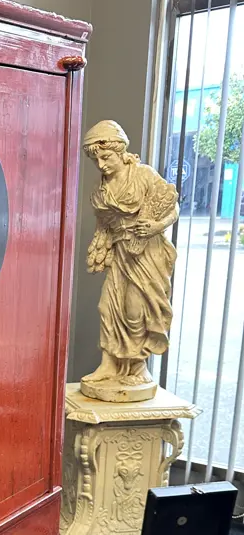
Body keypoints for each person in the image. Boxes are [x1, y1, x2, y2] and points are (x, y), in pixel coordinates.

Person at [81, 120, 178, 395]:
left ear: (120, 150)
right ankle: (109, 364)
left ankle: (137, 367)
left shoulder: (144, 175)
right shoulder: (102, 190)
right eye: (96, 159)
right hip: (123, 251)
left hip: (148, 253)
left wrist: (157, 226)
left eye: (106, 157)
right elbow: (106, 226)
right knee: (107, 307)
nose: (101, 165)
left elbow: (173, 207)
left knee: (135, 310)